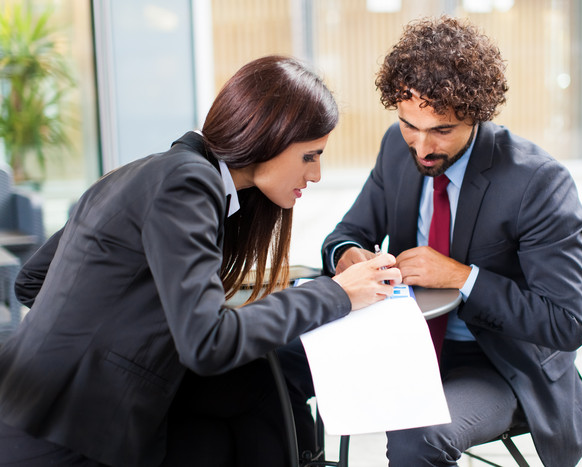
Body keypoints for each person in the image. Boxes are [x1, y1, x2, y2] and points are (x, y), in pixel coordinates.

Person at [0, 55, 401, 467]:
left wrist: (139, 343)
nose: (315, 174)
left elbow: (32, 281)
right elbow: (207, 341)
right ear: (270, 136)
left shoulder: (147, 171)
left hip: (32, 407)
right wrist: (335, 293)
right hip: (63, 434)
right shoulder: (187, 184)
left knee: (253, 388)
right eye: (309, 156)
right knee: (255, 391)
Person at [279, 17, 582, 467]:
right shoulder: (396, 147)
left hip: (494, 365)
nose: (422, 147)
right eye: (410, 124)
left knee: (419, 437)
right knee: (273, 364)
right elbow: (345, 235)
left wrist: (462, 277)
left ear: (477, 113)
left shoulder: (537, 182)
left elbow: (565, 324)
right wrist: (350, 257)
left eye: (442, 130)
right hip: (401, 340)